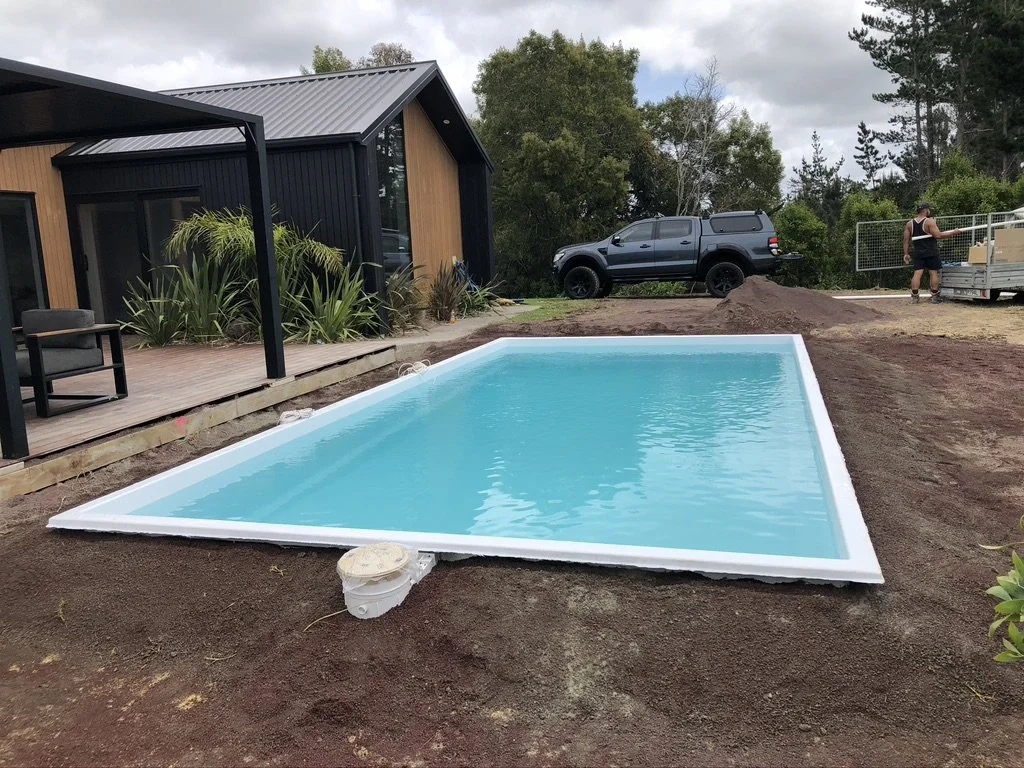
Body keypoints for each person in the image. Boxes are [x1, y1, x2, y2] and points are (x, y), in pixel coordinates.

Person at [903, 203, 962, 304]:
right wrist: (953, 233)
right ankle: (935, 296)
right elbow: (938, 235)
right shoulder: (929, 222)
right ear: (926, 211)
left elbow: (906, 241)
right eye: (929, 210)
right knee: (933, 272)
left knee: (917, 273)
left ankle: (915, 297)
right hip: (931, 251)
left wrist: (906, 254)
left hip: (918, 252)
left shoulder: (909, 224)